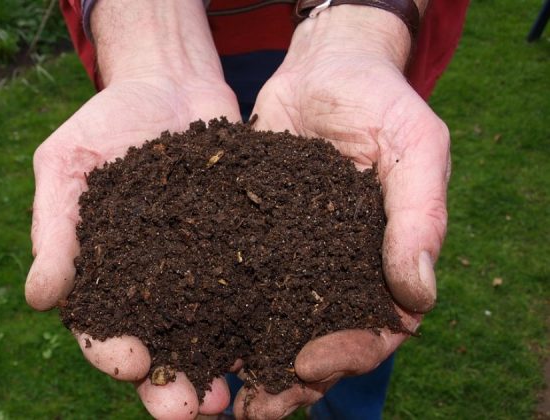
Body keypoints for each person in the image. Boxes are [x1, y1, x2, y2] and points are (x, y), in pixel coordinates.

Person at [25, 0, 468, 418]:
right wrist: (152, 35)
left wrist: (362, 29)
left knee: (354, 336)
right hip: (172, 39)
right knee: (223, 371)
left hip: (355, 35)